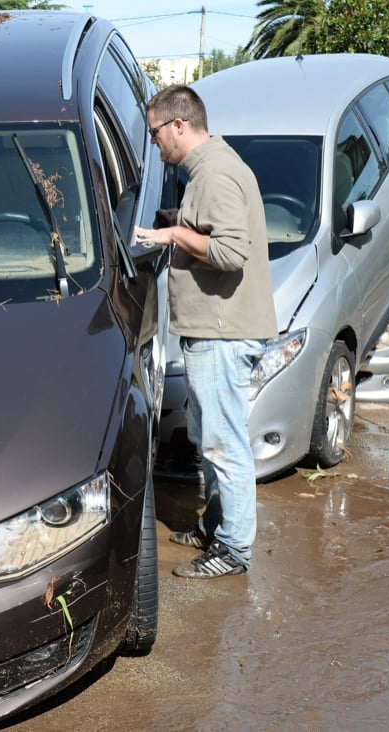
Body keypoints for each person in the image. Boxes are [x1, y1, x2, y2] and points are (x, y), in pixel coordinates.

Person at [134, 84, 277, 579]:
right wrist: (182, 222)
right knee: (210, 436)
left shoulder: (214, 174)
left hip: (224, 332)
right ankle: (217, 526)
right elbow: (217, 232)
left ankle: (234, 549)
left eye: (154, 132)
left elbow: (232, 254)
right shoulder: (211, 170)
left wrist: (174, 233)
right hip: (216, 328)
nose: (153, 143)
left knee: (223, 441)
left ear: (178, 125)